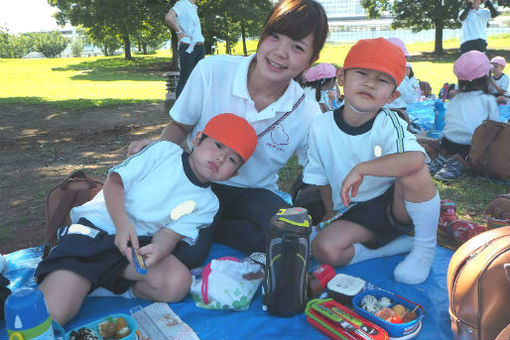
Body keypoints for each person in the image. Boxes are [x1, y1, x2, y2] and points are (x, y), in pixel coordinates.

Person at [128, 0, 328, 266]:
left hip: (252, 193)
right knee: (187, 253)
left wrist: (329, 210)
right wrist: (156, 157)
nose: (280, 52)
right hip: (197, 181)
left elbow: (316, 171)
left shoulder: (306, 111)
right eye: (274, 36)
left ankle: (217, 229)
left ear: (311, 60)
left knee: (290, 236)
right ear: (263, 34)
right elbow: (180, 126)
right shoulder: (213, 71)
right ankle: (212, 230)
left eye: (297, 47)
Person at [34, 114, 258, 325]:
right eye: (218, 145)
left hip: (132, 249)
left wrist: (156, 251)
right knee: (52, 316)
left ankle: (112, 286)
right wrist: (122, 225)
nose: (220, 158)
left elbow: (170, 234)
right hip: (96, 234)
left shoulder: (209, 203)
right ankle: (78, 278)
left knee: (178, 284)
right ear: (198, 139)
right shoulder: (163, 152)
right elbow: (114, 183)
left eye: (232, 159)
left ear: (233, 174)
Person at [303, 38, 440, 285]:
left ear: (393, 95)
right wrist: (331, 212)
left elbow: (416, 158)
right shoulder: (320, 126)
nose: (369, 83)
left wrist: (363, 169)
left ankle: (424, 248)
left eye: (382, 80)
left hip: (395, 208)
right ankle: (394, 246)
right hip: (354, 211)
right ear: (341, 77)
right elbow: (319, 176)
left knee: (415, 169)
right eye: (362, 73)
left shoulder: (391, 122)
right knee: (325, 249)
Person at [433, 50, 498, 181]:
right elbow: (495, 126)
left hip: (447, 143)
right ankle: (460, 163)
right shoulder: (488, 100)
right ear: (486, 77)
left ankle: (444, 158)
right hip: (469, 147)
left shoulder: (455, 98)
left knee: (451, 148)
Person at [165, 0, 205, 99]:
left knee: (197, 80)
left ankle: (192, 108)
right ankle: (178, 111)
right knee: (185, 79)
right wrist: (179, 32)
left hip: (200, 47)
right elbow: (168, 18)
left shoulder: (194, 7)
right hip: (188, 47)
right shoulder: (182, 3)